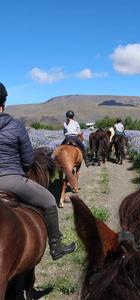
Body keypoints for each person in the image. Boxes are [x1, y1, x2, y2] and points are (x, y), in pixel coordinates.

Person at [0, 82, 76, 260]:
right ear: (4, 102)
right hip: (11, 179)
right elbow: (28, 159)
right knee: (49, 200)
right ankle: (56, 245)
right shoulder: (16, 125)